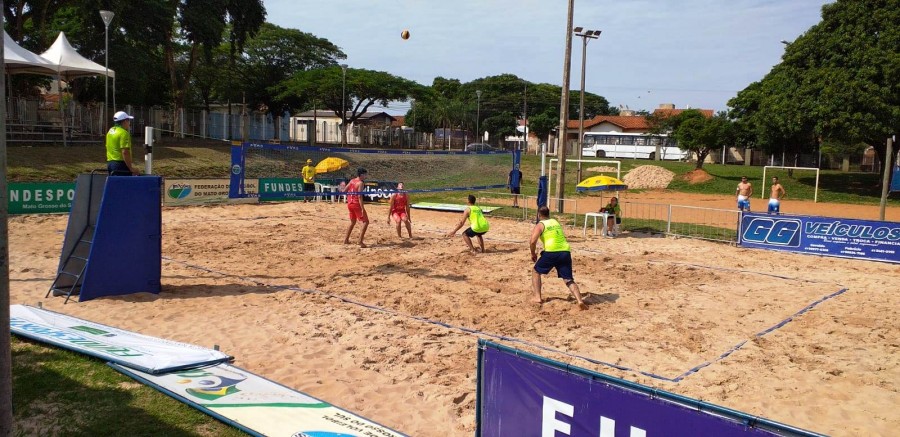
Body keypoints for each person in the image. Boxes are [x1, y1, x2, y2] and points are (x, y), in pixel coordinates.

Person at [530, 206, 588, 310]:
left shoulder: (540, 225)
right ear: (549, 214)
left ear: (539, 215)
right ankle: (580, 300)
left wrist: (533, 253)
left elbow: (532, 241)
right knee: (568, 279)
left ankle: (537, 297)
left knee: (536, 271)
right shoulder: (555, 222)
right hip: (565, 251)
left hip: (551, 251)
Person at [106, 111, 140, 176]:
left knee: (115, 185)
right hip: (120, 164)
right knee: (124, 185)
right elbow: (125, 152)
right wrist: (131, 168)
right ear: (124, 121)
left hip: (110, 163)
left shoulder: (110, 131)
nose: (129, 123)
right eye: (128, 121)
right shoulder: (123, 133)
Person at [342, 168, 369, 247]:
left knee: (352, 222)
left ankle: (346, 240)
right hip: (356, 204)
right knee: (366, 222)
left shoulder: (352, 181)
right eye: (365, 175)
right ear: (361, 175)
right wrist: (362, 208)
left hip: (350, 204)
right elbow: (359, 196)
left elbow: (344, 191)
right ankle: (360, 241)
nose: (366, 176)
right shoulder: (360, 183)